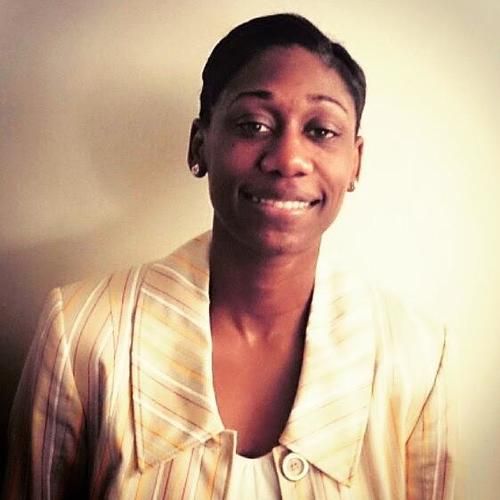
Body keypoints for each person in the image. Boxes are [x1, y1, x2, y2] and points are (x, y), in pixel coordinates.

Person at [4, 13, 454, 499]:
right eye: (253, 125)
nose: (288, 159)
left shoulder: (414, 356)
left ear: (355, 162)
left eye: (322, 131)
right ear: (200, 145)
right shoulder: (84, 333)